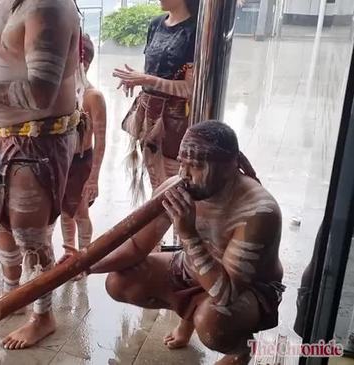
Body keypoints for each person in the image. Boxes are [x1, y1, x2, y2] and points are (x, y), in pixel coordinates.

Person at [91, 121, 285, 365]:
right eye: (182, 162)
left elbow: (225, 293)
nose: (184, 174)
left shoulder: (258, 212)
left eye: (196, 166)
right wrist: (88, 266)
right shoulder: (181, 186)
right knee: (120, 282)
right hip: (195, 267)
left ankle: (240, 349)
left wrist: (187, 233)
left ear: (229, 167)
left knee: (213, 321)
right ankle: (188, 317)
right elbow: (137, 246)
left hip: (246, 289)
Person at [0, 0, 81, 350]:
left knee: (31, 235)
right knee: (1, 223)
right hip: (0, 135)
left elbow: (41, 93)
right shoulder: (10, 3)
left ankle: (43, 316)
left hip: (35, 141)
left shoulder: (47, 6)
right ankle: (14, 296)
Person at [113, 0, 198, 196]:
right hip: (149, 118)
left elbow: (188, 89)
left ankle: (175, 226)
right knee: (156, 186)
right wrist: (137, 80)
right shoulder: (156, 24)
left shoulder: (193, 31)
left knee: (172, 190)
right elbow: (155, 71)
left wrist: (145, 79)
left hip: (173, 122)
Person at [59, 34, 107, 277]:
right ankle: (69, 253)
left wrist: (94, 177)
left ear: (84, 63)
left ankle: (85, 257)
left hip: (81, 162)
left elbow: (100, 140)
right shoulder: (60, 95)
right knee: (64, 211)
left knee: (80, 211)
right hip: (62, 162)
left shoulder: (93, 96)